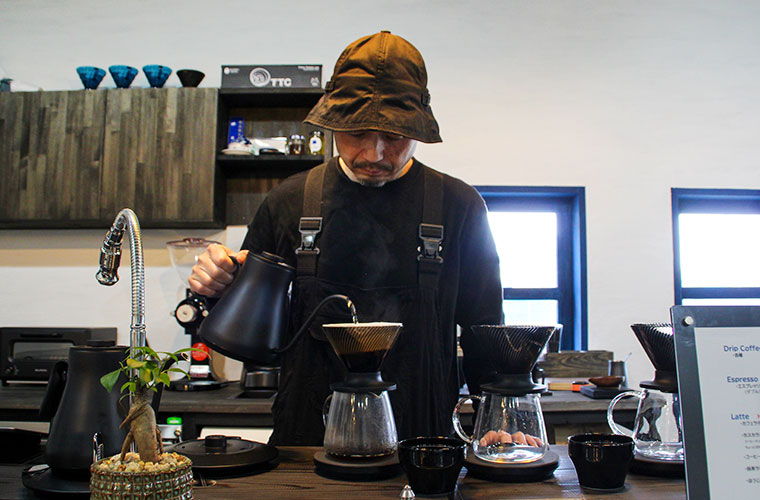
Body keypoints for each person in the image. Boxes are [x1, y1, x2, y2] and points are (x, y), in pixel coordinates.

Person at [190, 31, 503, 446]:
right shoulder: (288, 202)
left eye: (394, 136)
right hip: (306, 442)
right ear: (334, 122)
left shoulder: (459, 206)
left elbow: (485, 331)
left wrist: (497, 418)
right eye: (357, 132)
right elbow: (249, 330)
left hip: (423, 444)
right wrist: (217, 285)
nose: (374, 154)